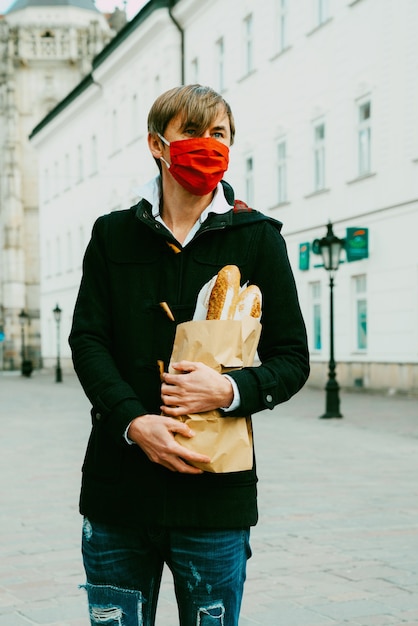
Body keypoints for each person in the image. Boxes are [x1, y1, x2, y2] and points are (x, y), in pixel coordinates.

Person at [69, 84, 310, 626]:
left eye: (219, 134)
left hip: (214, 494)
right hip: (119, 490)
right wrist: (133, 422)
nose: (208, 145)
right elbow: (87, 340)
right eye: (193, 134)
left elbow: (292, 357)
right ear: (158, 145)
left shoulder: (258, 237)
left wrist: (230, 390)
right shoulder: (112, 235)